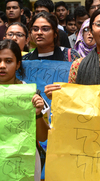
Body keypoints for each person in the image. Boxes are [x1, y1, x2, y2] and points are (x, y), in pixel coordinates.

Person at [0, 39, 49, 181]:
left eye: (8, 61)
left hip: (23, 164)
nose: (2, 66)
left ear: (18, 64)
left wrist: (38, 114)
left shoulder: (31, 94)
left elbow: (42, 137)